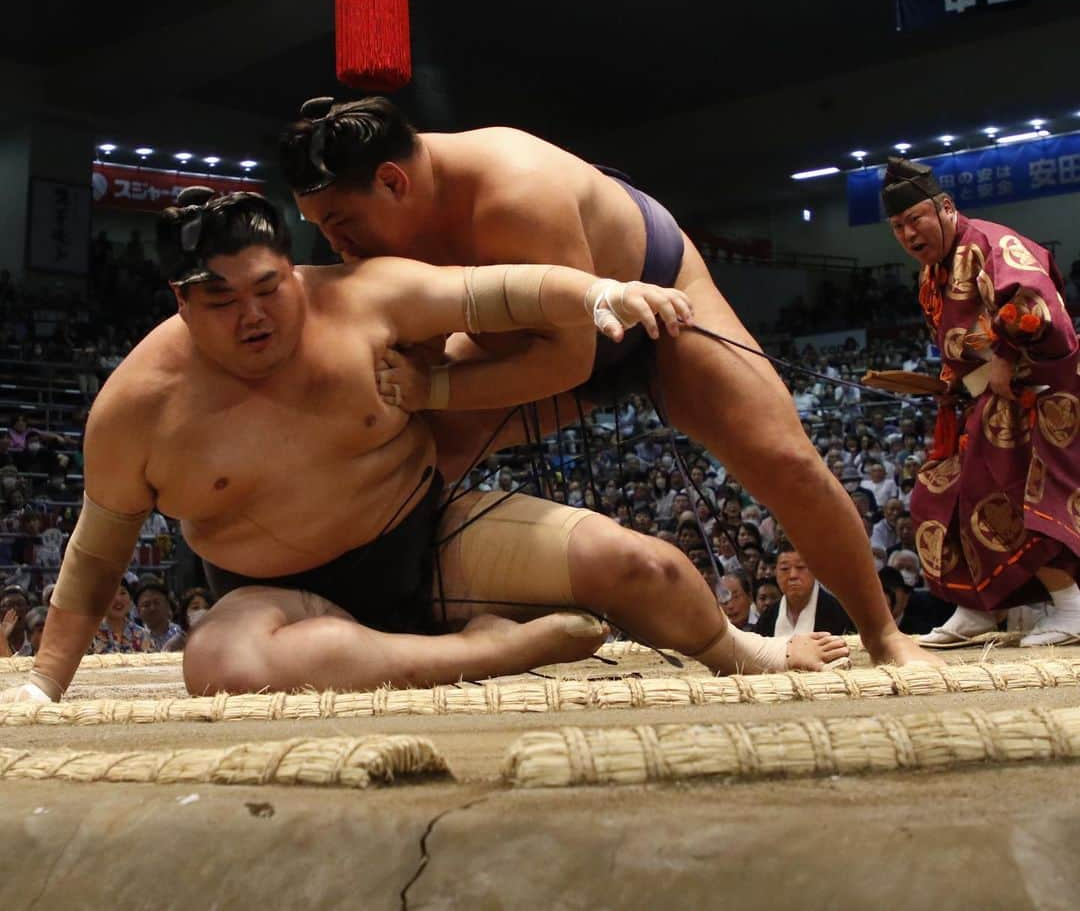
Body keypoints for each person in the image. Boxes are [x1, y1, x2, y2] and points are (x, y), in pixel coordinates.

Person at [1, 191, 846, 706]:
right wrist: (43, 685)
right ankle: (492, 652)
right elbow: (95, 558)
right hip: (277, 602)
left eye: (268, 288)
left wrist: (598, 290)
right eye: (221, 300)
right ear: (180, 301)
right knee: (219, 663)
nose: (253, 315)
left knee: (643, 567)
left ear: (292, 273)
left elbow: (496, 290)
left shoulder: (367, 299)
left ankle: (751, 649)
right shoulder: (134, 407)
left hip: (430, 543)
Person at [278, 97, 928, 668]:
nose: (338, 246)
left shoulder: (514, 191)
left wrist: (437, 387)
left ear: (392, 181)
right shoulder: (385, 239)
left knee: (784, 458)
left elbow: (571, 363)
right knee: (411, 451)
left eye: (341, 224)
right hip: (528, 336)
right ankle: (380, 627)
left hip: (656, 300)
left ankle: (883, 634)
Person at [880, 157, 1080, 646]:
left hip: (1039, 392)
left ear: (946, 208)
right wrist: (947, 383)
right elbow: (960, 345)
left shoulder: (990, 243)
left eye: (915, 220)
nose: (908, 234)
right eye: (898, 227)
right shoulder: (933, 274)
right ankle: (976, 607)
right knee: (938, 493)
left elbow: (1034, 301)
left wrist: (1008, 358)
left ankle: (1073, 607)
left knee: (1009, 492)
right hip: (986, 399)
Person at [754, 547, 854, 639]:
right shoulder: (767, 618)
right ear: (776, 573)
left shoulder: (839, 613)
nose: (792, 575)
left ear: (814, 570)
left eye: (800, 567)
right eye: (785, 569)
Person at [135, 578, 183, 652]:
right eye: (146, 605)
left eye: (157, 602)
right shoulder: (134, 638)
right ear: (138, 611)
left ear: (167, 605)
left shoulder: (181, 635)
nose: (152, 608)